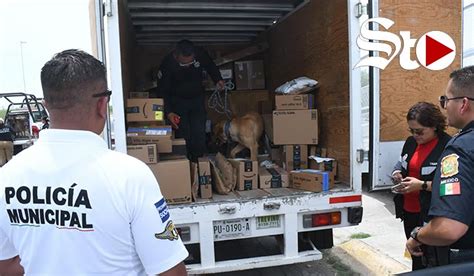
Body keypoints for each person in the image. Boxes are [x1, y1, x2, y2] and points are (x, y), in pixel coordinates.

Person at [0, 49, 188, 275]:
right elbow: (170, 271)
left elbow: (5, 265)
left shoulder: (7, 177)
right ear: (102, 105)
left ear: (46, 105)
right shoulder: (129, 176)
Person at [406, 65, 474, 267]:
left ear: (463, 104)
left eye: (446, 99)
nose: (445, 106)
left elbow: (448, 228)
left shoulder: (460, 148)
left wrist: (417, 235)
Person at [391, 102, 451, 270]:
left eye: (419, 131)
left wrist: (422, 185)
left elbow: (452, 187)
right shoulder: (410, 142)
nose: (415, 135)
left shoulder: (448, 147)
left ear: (434, 126)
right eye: (411, 131)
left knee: (432, 260)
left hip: (431, 216)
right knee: (415, 255)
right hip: (409, 211)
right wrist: (397, 173)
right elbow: (402, 163)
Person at [158, 39, 224, 162]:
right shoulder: (167, 64)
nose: (188, 65)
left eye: (191, 62)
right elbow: (163, 91)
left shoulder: (199, 54)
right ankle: (185, 162)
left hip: (197, 99)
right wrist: (169, 112)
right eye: (184, 64)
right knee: (184, 133)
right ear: (176, 56)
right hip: (178, 101)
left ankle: (199, 162)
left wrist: (218, 79)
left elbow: (210, 65)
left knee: (199, 131)